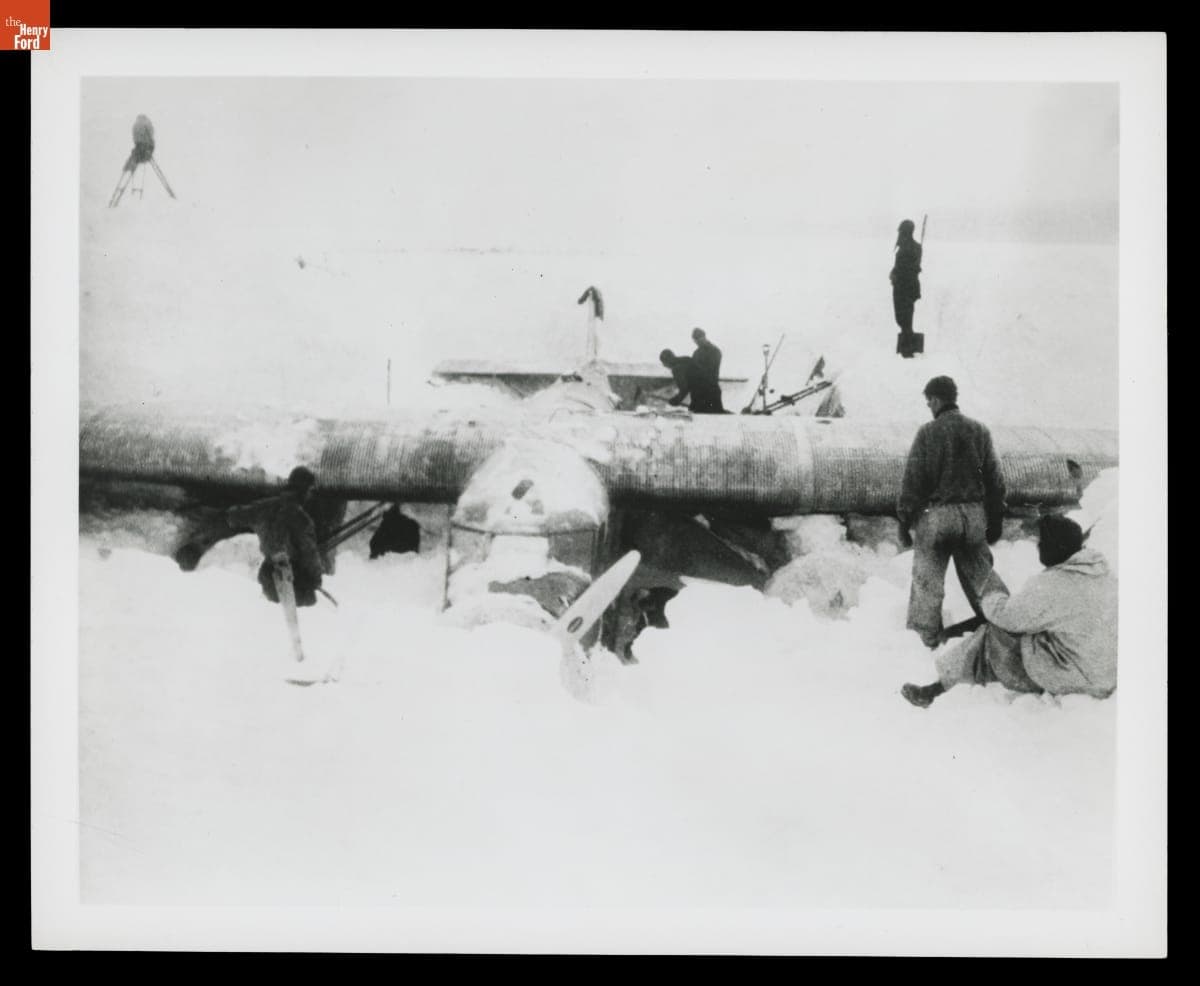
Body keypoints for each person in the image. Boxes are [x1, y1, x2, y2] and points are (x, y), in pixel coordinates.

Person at [901, 515, 1117, 707]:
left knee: (993, 634)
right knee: (1033, 633)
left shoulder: (1053, 584)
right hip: (1107, 674)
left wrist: (990, 597)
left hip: (1078, 679)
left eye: (1041, 543)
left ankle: (937, 688)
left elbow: (1006, 617)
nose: (1039, 548)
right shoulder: (1105, 575)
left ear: (1054, 547)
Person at [898, 376, 1007, 648]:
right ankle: (1005, 628)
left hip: (938, 516)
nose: (929, 407)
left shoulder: (927, 433)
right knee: (983, 579)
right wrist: (994, 519)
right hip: (972, 517)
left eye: (929, 402)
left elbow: (913, 481)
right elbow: (996, 480)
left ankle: (924, 641)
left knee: (928, 583)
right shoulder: (979, 431)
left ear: (935, 400)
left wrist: (905, 519)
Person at [226, 466, 326, 608]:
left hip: (268, 577)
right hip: (293, 583)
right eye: (309, 490)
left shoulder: (265, 507)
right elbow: (310, 554)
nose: (310, 495)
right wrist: (316, 579)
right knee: (309, 609)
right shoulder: (301, 519)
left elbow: (233, 517)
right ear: (303, 490)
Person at [890, 219, 923, 358]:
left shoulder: (906, 247)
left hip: (903, 287)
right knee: (907, 316)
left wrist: (895, 275)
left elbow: (905, 268)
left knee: (903, 317)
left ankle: (907, 349)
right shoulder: (916, 247)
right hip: (910, 286)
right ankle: (908, 344)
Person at [689, 327, 725, 413]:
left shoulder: (715, 351)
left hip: (711, 391)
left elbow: (710, 371)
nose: (697, 343)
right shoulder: (696, 353)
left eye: (698, 339)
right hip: (698, 393)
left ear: (704, 337)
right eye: (695, 341)